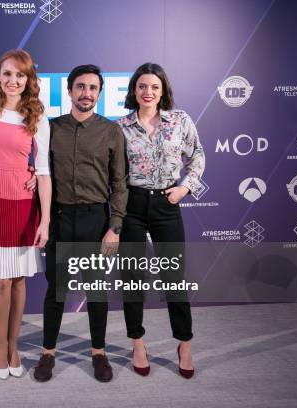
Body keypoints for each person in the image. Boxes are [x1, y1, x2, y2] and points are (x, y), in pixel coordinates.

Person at [33, 64, 128, 383]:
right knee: (56, 291)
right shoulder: (52, 128)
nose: (86, 93)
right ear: (70, 91)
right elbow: (39, 174)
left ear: (99, 93)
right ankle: (48, 353)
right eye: (81, 87)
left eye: (92, 88)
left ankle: (99, 354)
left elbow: (120, 182)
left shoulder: (111, 131)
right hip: (60, 218)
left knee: (97, 291)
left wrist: (114, 227)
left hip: (95, 220)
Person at [116, 62, 205, 379]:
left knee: (173, 278)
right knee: (132, 278)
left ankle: (184, 343)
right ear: (134, 91)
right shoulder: (121, 126)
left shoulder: (180, 120)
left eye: (154, 87)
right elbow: (113, 171)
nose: (148, 92)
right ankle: (137, 343)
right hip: (133, 206)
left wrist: (185, 187)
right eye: (142, 86)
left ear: (163, 90)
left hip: (168, 204)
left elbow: (198, 155)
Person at [0, 49, 52, 380]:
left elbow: (43, 171)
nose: (13, 81)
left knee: (18, 280)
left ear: (29, 79)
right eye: (7, 74)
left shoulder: (37, 117)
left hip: (21, 205)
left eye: (20, 75)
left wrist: (45, 220)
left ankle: (14, 345)